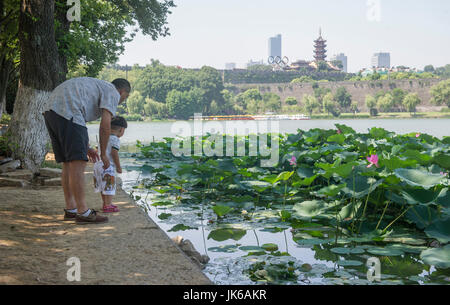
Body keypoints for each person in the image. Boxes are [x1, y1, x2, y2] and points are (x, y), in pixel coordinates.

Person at [43, 77, 130, 224]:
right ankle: (83, 212)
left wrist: (87, 147)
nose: (122, 100)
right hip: (69, 110)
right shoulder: (112, 91)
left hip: (51, 111)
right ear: (122, 92)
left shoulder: (97, 87)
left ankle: (71, 209)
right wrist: (103, 154)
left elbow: (75, 126)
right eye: (125, 97)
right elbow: (105, 126)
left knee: (67, 162)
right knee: (78, 163)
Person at [93, 116, 127, 213]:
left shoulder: (104, 137)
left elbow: (97, 150)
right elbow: (114, 153)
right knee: (109, 186)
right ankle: (108, 205)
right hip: (108, 166)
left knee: (102, 186)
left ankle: (105, 204)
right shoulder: (115, 139)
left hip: (98, 165)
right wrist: (119, 167)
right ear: (122, 129)